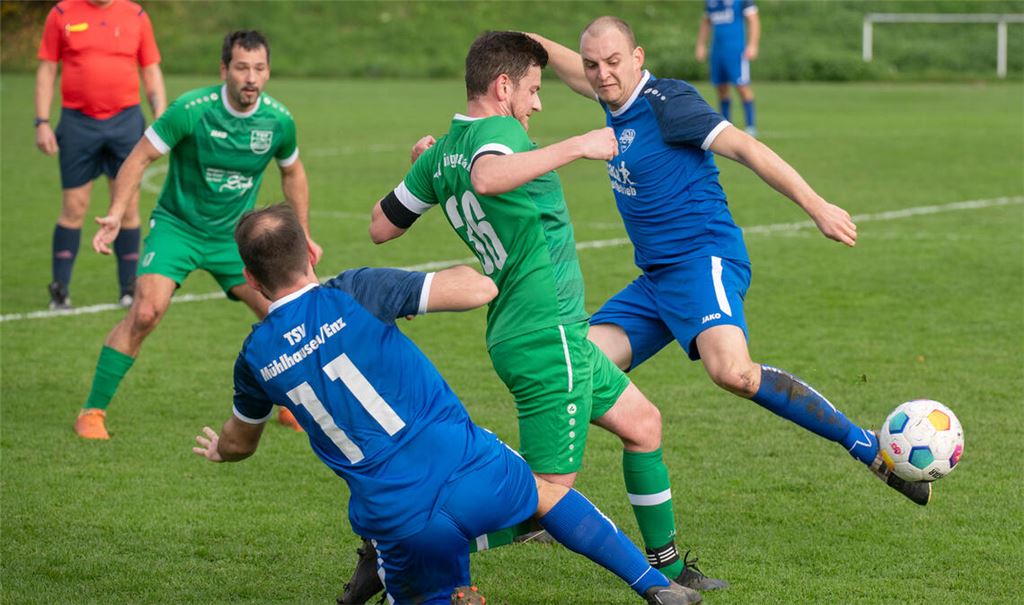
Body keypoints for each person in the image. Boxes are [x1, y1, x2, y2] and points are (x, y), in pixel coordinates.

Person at [366, 30, 726, 599]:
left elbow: (381, 227)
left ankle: (671, 566)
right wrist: (580, 144)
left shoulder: (443, 152)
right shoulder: (500, 133)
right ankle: (397, 554)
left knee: (643, 423)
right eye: (533, 91)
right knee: (546, 499)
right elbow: (486, 176)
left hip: (547, 332)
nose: (537, 103)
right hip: (543, 334)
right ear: (502, 86)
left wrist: (430, 168)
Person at [192, 204, 701, 605]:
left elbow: (240, 443)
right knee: (547, 495)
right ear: (311, 253)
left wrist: (221, 450)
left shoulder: (256, 356)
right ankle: (653, 584)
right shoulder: (357, 290)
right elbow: (478, 288)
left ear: (251, 279)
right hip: (470, 465)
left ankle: (424, 581)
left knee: (425, 579)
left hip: (398, 518)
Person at [529, 16, 932, 508]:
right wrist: (510, 43)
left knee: (732, 372)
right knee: (572, 370)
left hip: (704, 260)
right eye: (594, 65)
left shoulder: (668, 105)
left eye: (614, 62)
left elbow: (745, 147)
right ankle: (544, 503)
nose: (601, 73)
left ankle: (863, 444)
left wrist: (817, 206)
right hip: (656, 280)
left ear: (638, 58)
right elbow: (566, 64)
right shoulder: (609, 93)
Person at [74, 30, 320, 440]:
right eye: (242, 67)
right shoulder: (191, 109)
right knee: (147, 311)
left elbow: (292, 171)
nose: (251, 78)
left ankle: (291, 402)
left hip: (237, 239)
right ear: (224, 69)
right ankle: (93, 411)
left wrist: (304, 234)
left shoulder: (278, 120)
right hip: (178, 228)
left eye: (259, 69)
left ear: (268, 72)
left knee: (284, 313)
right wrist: (116, 213)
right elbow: (139, 158)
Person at [35, 0, 167, 309]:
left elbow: (151, 70)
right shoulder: (61, 14)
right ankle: (60, 290)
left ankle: (128, 288)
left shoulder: (135, 15)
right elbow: (47, 69)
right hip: (77, 122)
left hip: (126, 122)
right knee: (74, 206)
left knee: (128, 205)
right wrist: (41, 121)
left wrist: (161, 118)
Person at [695, 0, 760, 136]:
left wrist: (753, 45)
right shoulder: (711, 2)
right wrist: (701, 45)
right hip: (717, 51)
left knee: (742, 87)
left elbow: (753, 19)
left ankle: (750, 126)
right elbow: (706, 22)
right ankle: (726, 125)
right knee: (721, 88)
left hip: (736, 51)